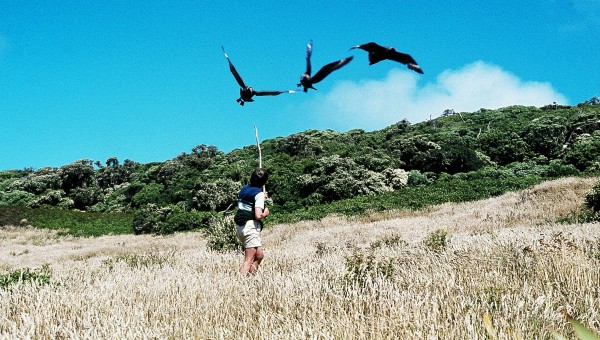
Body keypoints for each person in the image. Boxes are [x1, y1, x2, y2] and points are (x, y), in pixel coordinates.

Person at [234, 168, 270, 275]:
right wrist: (265, 213)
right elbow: (258, 215)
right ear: (264, 182)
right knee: (248, 260)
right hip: (250, 227)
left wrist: (261, 196)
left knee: (259, 255)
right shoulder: (258, 195)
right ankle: (241, 283)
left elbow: (249, 199)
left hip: (241, 227)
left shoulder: (244, 189)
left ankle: (250, 279)